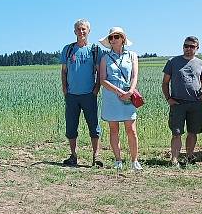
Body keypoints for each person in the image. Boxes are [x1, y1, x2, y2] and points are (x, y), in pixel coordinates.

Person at [99, 26, 142, 171]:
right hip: (111, 95)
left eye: (116, 37)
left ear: (122, 39)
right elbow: (103, 80)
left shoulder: (132, 56)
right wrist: (117, 91)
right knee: (113, 129)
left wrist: (130, 91)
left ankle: (134, 160)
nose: (113, 40)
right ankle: (118, 160)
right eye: (110, 37)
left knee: (131, 129)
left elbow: (135, 76)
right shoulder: (105, 58)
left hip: (128, 95)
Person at [162, 36, 202, 166]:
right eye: (186, 46)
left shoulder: (201, 64)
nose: (188, 48)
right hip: (178, 103)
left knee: (193, 132)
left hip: (195, 103)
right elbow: (165, 83)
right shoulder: (172, 62)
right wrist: (168, 98)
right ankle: (174, 160)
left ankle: (189, 157)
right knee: (176, 133)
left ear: (197, 48)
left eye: (192, 46)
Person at [60, 19, 103, 166]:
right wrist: (65, 89)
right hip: (72, 95)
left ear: (89, 31)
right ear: (74, 32)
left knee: (94, 126)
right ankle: (73, 155)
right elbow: (64, 71)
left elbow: (100, 72)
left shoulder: (95, 49)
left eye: (84, 29)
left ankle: (96, 156)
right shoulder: (68, 49)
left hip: (89, 95)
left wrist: (97, 88)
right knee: (71, 127)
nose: (81, 32)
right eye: (78, 29)